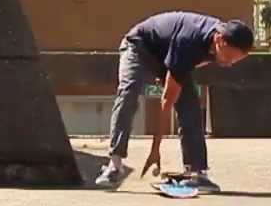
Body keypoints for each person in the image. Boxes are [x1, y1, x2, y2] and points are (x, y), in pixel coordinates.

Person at [94, 11, 254, 192]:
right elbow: (167, 102)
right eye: (229, 57)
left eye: (235, 60)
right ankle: (114, 165)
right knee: (129, 92)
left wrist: (171, 72)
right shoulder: (190, 41)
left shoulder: (220, 38)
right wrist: (155, 150)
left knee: (190, 106)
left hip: (170, 54)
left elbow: (183, 68)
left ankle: (197, 173)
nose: (230, 63)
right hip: (139, 47)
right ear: (219, 40)